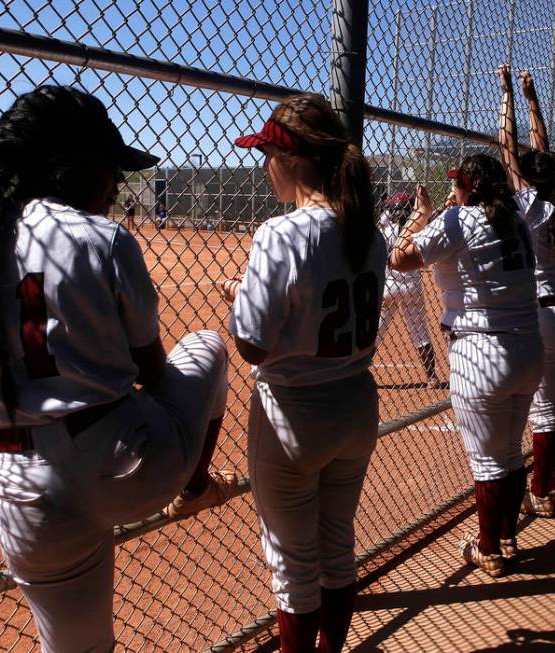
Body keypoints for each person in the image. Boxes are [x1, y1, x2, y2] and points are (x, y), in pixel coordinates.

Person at [0, 86, 235, 653]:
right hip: (131, 464)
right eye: (111, 170)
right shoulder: (100, 237)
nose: (115, 187)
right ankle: (197, 483)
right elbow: (155, 374)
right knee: (207, 345)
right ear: (73, 166)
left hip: (21, 486)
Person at [222, 93, 386, 653]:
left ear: (293, 161)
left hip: (293, 414)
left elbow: (251, 346)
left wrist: (240, 298)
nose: (265, 166)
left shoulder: (282, 233)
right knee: (337, 547)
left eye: (268, 154)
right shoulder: (370, 230)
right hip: (357, 403)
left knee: (293, 567)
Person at [389, 154, 543, 578]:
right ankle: (506, 536)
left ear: (471, 187)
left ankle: (490, 548)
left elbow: (399, 260)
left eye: (457, 183)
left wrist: (420, 217)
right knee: (510, 452)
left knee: (488, 462)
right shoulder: (517, 220)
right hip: (528, 346)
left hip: (482, 351)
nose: (452, 189)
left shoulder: (460, 219)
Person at [498, 64, 555, 517]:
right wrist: (533, 100)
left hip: (545, 315)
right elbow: (539, 152)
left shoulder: (531, 206)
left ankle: (543, 490)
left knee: (547, 411)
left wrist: (509, 94)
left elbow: (507, 149)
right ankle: (547, 486)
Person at [376, 192, 440, 387]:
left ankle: (358, 370)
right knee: (420, 333)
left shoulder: (386, 230)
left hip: (389, 285)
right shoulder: (417, 231)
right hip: (412, 286)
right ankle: (432, 377)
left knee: (375, 332)